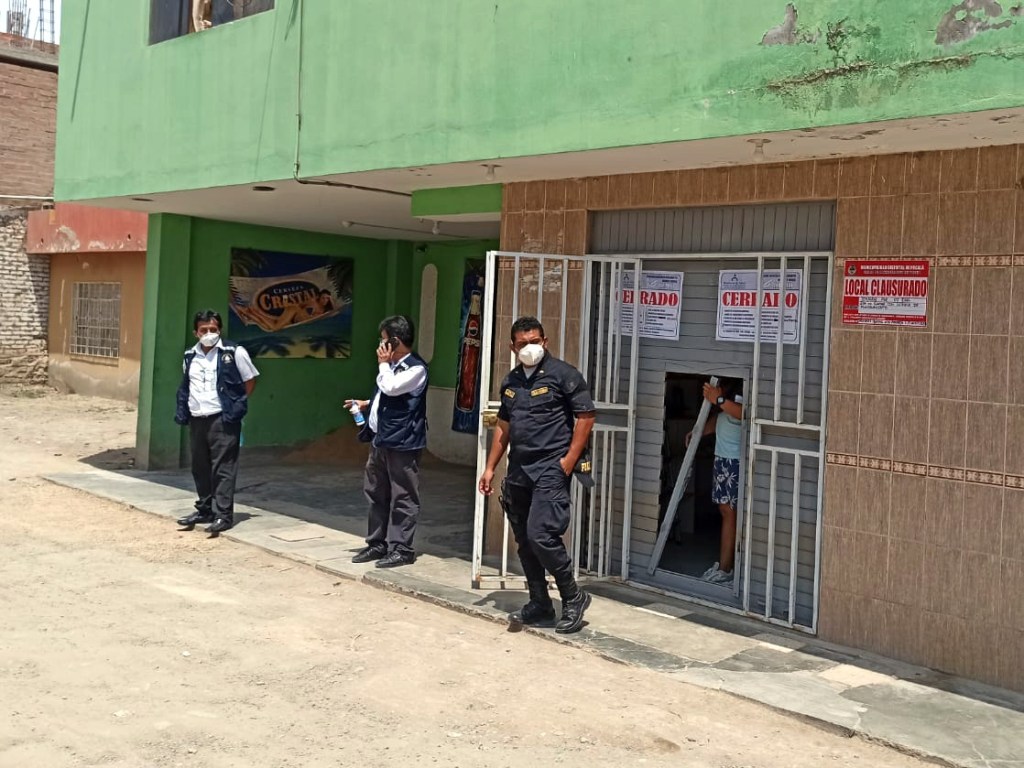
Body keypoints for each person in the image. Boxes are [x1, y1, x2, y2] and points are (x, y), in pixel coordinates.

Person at [478, 316, 596, 634]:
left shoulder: (564, 375)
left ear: (544, 341)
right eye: (523, 343)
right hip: (520, 469)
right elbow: (504, 426)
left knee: (541, 534)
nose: (530, 347)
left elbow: (586, 417)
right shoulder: (511, 382)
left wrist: (568, 461)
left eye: (535, 341)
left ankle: (573, 596)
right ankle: (540, 602)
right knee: (525, 540)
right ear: (512, 347)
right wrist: (490, 467)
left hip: (551, 468)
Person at [346, 316, 429, 568]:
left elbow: (392, 388)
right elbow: (387, 395)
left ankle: (401, 548)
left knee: (403, 495)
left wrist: (383, 365)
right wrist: (366, 404)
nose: (380, 345)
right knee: (376, 492)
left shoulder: (416, 368)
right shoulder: (391, 367)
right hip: (380, 439)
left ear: (395, 341)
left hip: (402, 442)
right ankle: (377, 543)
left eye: (383, 340)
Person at [174, 310, 259, 536]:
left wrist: (235, 405)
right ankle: (205, 509)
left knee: (223, 468)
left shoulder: (234, 352)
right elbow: (188, 385)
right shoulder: (189, 355)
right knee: (200, 467)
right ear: (196, 332)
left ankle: (223, 515)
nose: (209, 334)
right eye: (204, 330)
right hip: (197, 418)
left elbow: (250, 380)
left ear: (219, 330)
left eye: (213, 329)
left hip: (222, 419)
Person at [688, 377, 744, 584]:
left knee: (729, 511)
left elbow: (745, 414)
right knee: (726, 510)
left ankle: (725, 568)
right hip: (723, 458)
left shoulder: (742, 387)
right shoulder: (727, 390)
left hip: (734, 461)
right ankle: (724, 566)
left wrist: (719, 400)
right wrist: (698, 432)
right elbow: (722, 417)